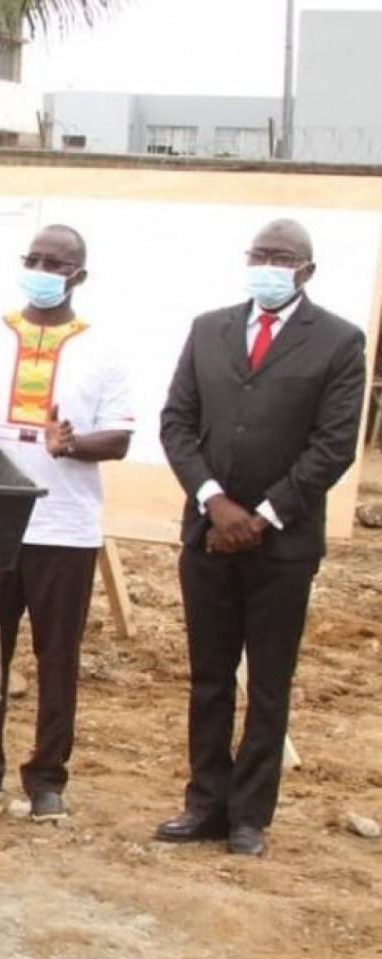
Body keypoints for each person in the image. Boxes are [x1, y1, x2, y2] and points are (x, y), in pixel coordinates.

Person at [156, 219, 366, 858]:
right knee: (209, 677)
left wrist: (263, 516)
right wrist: (214, 502)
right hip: (208, 534)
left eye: (282, 258)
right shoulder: (208, 329)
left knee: (269, 683)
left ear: (307, 270)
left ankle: (250, 815)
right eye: (260, 255)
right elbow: (177, 423)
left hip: (283, 545)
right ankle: (205, 803)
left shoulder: (339, 341)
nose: (268, 266)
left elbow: (333, 445)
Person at [0, 224, 135, 822]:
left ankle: (47, 777)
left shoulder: (103, 349)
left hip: (65, 525)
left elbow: (119, 438)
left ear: (80, 276)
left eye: (57, 264)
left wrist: (70, 444)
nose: (43, 272)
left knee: (57, 657)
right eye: (35, 260)